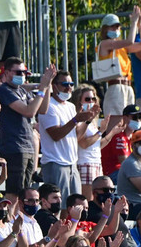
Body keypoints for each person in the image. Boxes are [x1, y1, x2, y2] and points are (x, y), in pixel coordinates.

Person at [0, 59, 55, 198]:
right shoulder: (4, 90)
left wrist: (47, 86)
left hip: (27, 147)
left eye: (24, 72)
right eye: (18, 72)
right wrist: (41, 88)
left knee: (24, 194)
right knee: (14, 194)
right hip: (14, 148)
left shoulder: (21, 90)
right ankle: (10, 213)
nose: (22, 75)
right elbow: (29, 111)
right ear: (7, 72)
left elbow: (42, 109)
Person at [38, 70, 97, 201]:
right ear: (54, 86)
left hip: (72, 163)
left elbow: (76, 135)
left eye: (71, 84)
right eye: (65, 84)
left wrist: (87, 120)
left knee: (76, 204)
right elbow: (55, 135)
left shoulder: (70, 106)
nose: (69, 87)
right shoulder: (48, 106)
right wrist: (75, 120)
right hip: (55, 163)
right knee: (59, 205)